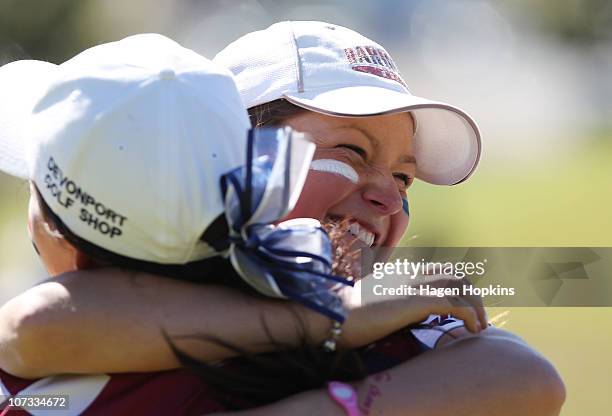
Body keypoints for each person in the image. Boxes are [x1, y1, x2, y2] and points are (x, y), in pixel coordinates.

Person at [0, 22, 565, 415]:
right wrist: (331, 316)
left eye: (403, 178)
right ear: (234, 154)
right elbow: (35, 328)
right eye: (350, 153)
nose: (389, 201)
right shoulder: (91, 338)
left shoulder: (402, 337)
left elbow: (527, 378)